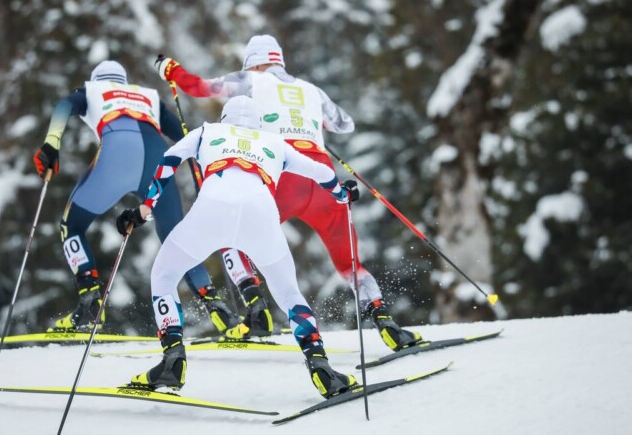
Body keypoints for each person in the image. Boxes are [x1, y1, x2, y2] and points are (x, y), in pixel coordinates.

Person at [152, 35, 424, 351]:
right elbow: (343, 124)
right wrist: (310, 121)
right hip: (320, 175)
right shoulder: (312, 90)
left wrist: (169, 68)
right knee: (350, 264)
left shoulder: (250, 79)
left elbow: (199, 87)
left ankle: (256, 309)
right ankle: (384, 320)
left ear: (252, 62)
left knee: (233, 238)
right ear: (279, 60)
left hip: (283, 175)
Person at [116, 96, 358, 398]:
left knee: (164, 277)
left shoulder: (207, 132)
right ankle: (321, 367)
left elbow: (169, 161)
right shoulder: (275, 142)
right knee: (289, 294)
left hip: (213, 208)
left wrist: (143, 209)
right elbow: (322, 173)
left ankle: (172, 361)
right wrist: (341, 195)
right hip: (261, 214)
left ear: (225, 118)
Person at [32, 60, 237, 334]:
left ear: (97, 78)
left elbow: (62, 107)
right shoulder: (148, 95)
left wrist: (51, 143)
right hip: (155, 158)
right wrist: (203, 169)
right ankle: (213, 302)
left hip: (116, 153)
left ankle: (90, 303)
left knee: (72, 227)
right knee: (176, 236)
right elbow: (182, 135)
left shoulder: (91, 90)